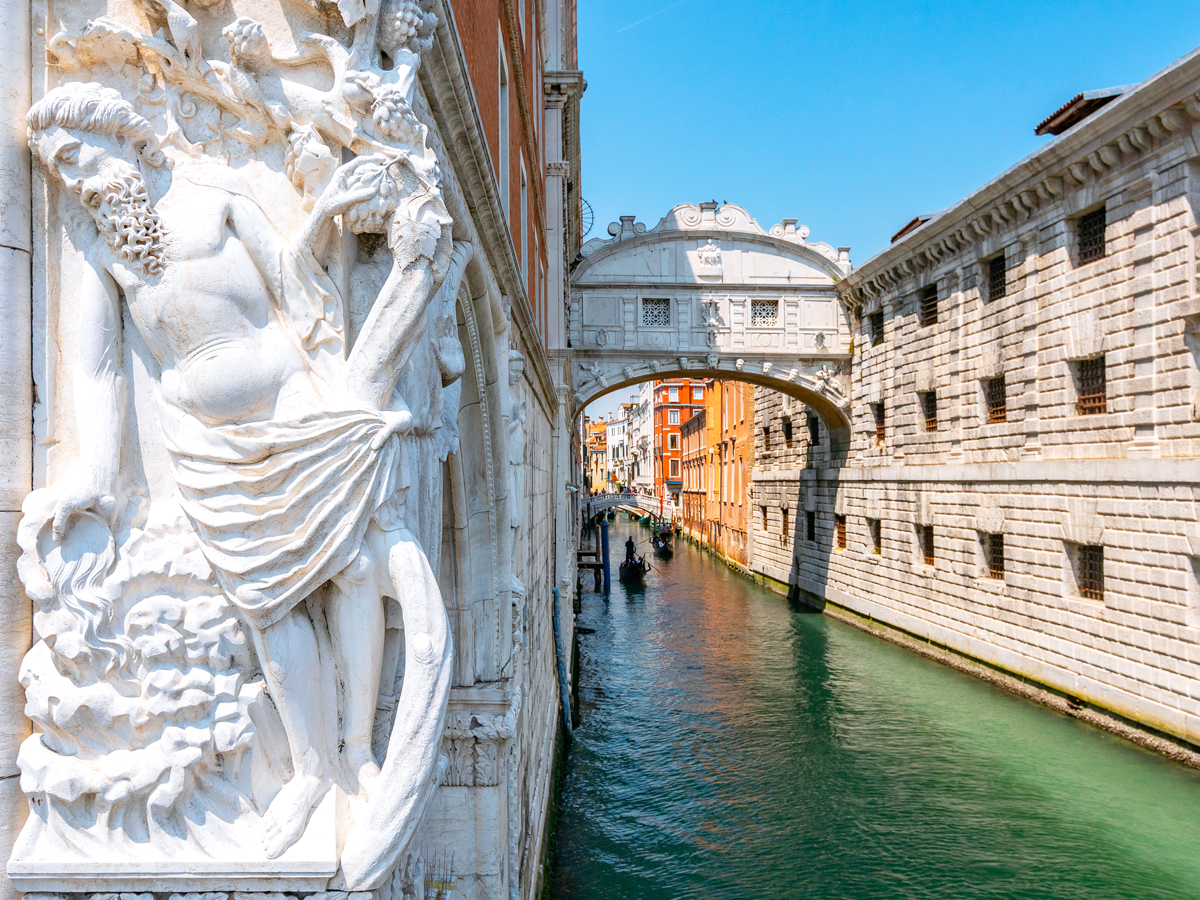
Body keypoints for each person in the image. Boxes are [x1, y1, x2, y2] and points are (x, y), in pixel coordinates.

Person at [27, 83, 454, 860]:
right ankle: (308, 769)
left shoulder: (215, 194)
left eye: (78, 156)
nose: (76, 178)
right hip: (202, 443)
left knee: (351, 568)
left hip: (290, 404)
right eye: (60, 170)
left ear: (122, 137)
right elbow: (96, 371)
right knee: (265, 602)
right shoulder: (99, 245)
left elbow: (296, 284)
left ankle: (357, 748)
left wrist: (344, 390)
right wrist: (95, 470)